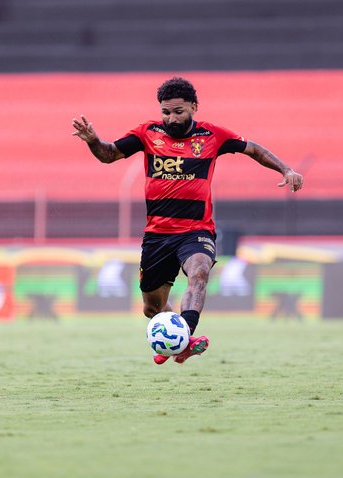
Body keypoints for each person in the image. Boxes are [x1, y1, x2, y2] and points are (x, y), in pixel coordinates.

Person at [72, 77, 304, 365]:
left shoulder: (212, 135)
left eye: (178, 112)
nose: (171, 118)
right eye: (166, 112)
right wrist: (93, 140)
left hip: (196, 230)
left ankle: (184, 338)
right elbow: (109, 155)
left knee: (199, 272)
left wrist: (286, 169)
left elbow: (254, 149)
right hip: (157, 234)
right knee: (152, 308)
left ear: (194, 107)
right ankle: (181, 342)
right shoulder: (147, 133)